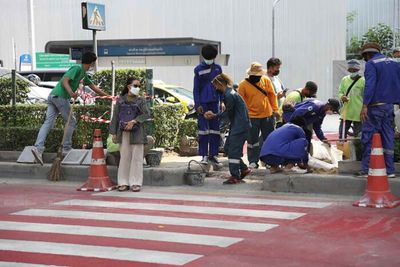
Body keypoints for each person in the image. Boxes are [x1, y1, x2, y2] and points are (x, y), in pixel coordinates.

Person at [31, 52, 108, 165]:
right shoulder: (77, 68)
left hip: (53, 96)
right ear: (91, 63)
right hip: (61, 97)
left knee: (48, 123)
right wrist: (71, 93)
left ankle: (38, 148)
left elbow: (94, 87)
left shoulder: (83, 74)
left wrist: (108, 96)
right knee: (71, 121)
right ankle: (66, 147)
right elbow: (64, 81)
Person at [356, 42, 400, 178]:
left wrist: (364, 105)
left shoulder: (372, 64)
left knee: (368, 137)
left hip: (375, 107)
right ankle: (390, 170)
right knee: (388, 137)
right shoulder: (394, 63)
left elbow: (370, 85)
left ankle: (365, 169)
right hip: (389, 106)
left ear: (367, 54)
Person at [204, 73, 251, 184]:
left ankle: (235, 175)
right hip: (238, 125)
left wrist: (214, 116)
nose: (215, 88)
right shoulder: (230, 93)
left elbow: (227, 113)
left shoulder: (229, 95)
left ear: (220, 83)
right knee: (229, 148)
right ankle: (244, 169)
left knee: (233, 151)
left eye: (215, 85)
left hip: (239, 127)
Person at [110, 77, 151, 192]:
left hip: (137, 133)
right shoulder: (120, 100)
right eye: (135, 86)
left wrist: (134, 121)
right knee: (124, 158)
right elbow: (115, 117)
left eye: (139, 86)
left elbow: (147, 114)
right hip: (122, 132)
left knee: (137, 158)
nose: (138, 88)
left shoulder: (141, 100)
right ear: (129, 86)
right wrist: (113, 133)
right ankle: (123, 182)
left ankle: (136, 183)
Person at [238, 62, 279, 169]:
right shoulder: (243, 85)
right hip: (251, 116)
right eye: (254, 76)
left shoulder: (266, 80)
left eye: (258, 76)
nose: (256, 78)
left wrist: (275, 109)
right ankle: (253, 161)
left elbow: (272, 96)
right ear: (250, 75)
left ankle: (269, 161)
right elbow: (240, 102)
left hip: (267, 115)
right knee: (252, 141)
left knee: (269, 139)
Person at [193, 44, 224, 167]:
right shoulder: (198, 69)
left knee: (215, 130)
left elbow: (222, 87)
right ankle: (204, 155)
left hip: (215, 102)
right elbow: (196, 89)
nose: (210, 60)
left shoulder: (218, 69)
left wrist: (222, 101)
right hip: (203, 103)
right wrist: (198, 104)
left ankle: (214, 155)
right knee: (204, 131)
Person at [337, 59, 365, 139]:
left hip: (358, 113)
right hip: (346, 112)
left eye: (354, 70)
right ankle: (342, 149)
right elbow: (340, 92)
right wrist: (342, 97)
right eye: (351, 70)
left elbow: (366, 96)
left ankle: (358, 150)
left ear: (358, 69)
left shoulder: (363, 81)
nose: (352, 71)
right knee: (342, 134)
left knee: (358, 136)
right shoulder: (344, 79)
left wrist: (364, 108)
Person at [266, 57, 287, 127]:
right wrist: (277, 96)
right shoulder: (265, 79)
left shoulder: (276, 78)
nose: (278, 70)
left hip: (280, 112)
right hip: (271, 112)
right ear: (270, 68)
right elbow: (265, 96)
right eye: (277, 68)